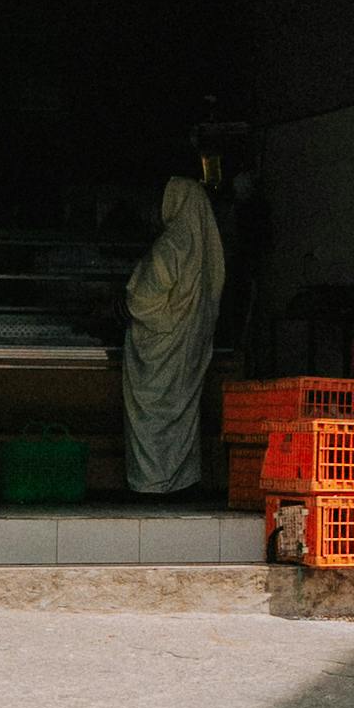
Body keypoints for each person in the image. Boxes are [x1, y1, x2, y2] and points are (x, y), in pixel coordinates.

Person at [122, 173, 224, 496]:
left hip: (162, 350)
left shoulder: (172, 244)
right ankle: (179, 481)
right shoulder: (209, 250)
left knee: (153, 420)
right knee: (181, 418)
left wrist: (123, 307)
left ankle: (151, 485)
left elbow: (142, 299)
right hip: (190, 349)